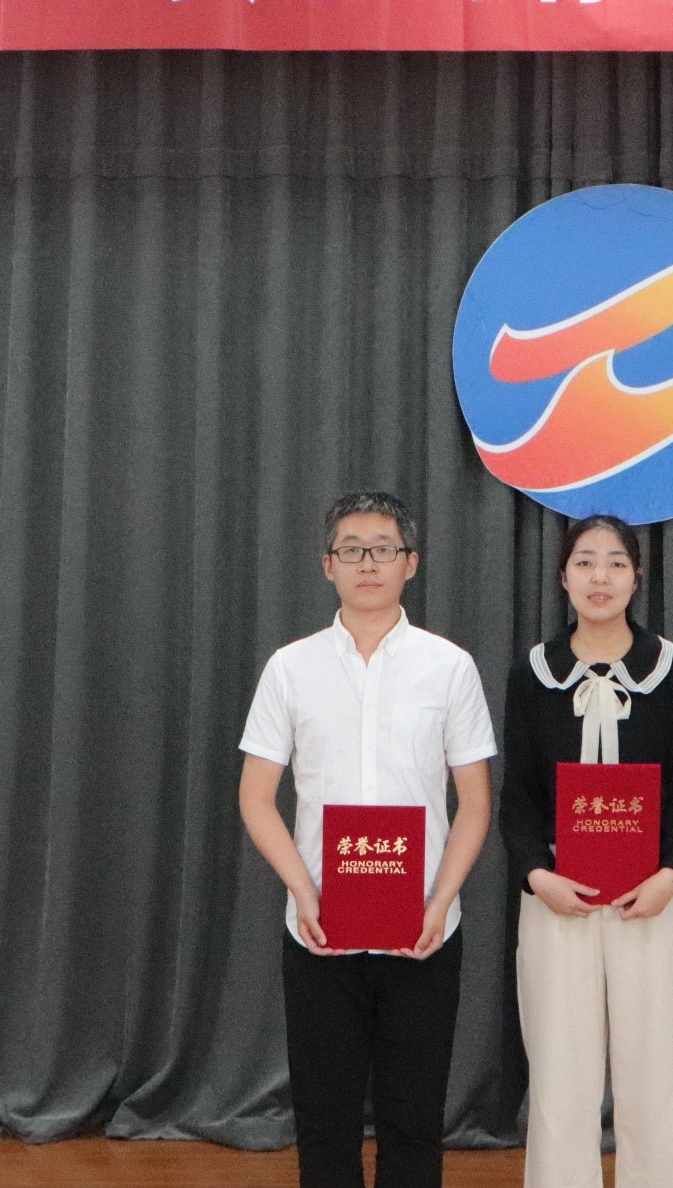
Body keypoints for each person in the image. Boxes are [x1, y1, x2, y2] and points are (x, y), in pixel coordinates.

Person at [238, 489, 498, 1188]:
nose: (368, 564)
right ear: (328, 565)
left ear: (410, 563)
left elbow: (475, 804)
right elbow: (256, 797)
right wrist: (303, 890)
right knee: (324, 1126)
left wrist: (441, 900)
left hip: (424, 930)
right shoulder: (290, 668)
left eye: (384, 549)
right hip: (320, 930)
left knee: (414, 1124)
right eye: (351, 550)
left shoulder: (449, 666)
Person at [501, 514, 673, 1188]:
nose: (600, 576)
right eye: (585, 561)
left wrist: (671, 875)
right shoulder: (532, 673)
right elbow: (518, 797)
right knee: (561, 1078)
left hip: (652, 899)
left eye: (616, 562)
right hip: (557, 897)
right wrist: (538, 875)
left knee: (659, 1075)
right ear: (563, 577)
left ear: (637, 577)